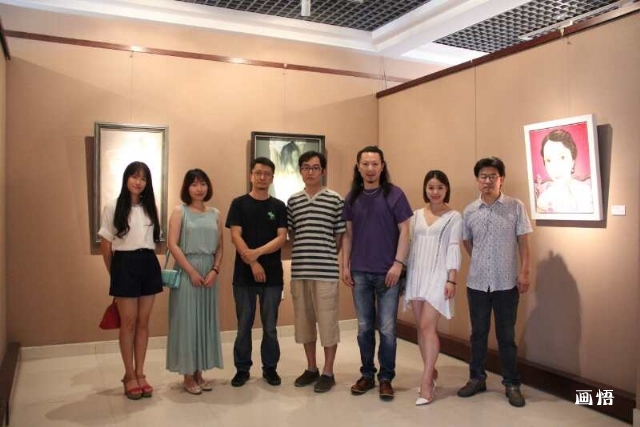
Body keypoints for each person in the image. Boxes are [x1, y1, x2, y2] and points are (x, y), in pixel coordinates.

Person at [457, 157, 532, 408]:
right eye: (483, 176)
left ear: (502, 179)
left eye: (492, 176)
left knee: (506, 336)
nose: (487, 181)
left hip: (506, 284)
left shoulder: (515, 207)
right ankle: (476, 378)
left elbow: (524, 242)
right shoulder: (470, 211)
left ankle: (511, 383)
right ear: (477, 180)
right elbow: (467, 242)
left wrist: (524, 272)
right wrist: (481, 260)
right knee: (478, 334)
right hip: (477, 283)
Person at [342, 146, 412, 401]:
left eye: (375, 164)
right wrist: (345, 265)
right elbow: (348, 235)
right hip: (360, 272)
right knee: (363, 328)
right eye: (365, 164)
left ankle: (386, 378)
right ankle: (367, 374)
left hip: (388, 274)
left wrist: (398, 264)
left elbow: (405, 231)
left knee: (387, 329)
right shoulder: (352, 197)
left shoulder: (395, 194)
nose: (370, 168)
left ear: (382, 166)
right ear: (358, 167)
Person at [98, 161, 162, 400]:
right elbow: (106, 244)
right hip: (124, 264)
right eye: (135, 177)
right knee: (128, 323)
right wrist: (114, 272)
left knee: (143, 322)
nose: (138, 182)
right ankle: (129, 374)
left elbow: (153, 240)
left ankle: (140, 372)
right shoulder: (113, 206)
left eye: (143, 178)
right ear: (126, 178)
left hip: (148, 263)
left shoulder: (150, 207)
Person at [225, 157, 288, 387]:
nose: (262, 177)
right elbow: (235, 236)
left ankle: (270, 368)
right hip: (243, 277)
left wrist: (256, 254)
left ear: (272, 178)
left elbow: (281, 237)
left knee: (270, 326)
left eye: (267, 174)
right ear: (251, 175)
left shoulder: (278, 206)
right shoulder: (239, 204)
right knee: (244, 325)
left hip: (273, 277)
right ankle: (242, 369)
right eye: (258, 173)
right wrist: (252, 263)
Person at [287, 151, 345, 393]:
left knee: (328, 323)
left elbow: (339, 236)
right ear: (300, 171)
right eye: (306, 167)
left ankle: (328, 371)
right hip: (300, 271)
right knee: (304, 323)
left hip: (326, 272)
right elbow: (293, 234)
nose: (310, 172)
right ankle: (311, 368)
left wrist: (326, 254)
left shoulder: (335, 199)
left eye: (315, 167)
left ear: (323, 171)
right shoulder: (293, 201)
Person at [404, 170, 462, 406]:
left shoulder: (454, 217)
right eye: (431, 187)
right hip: (417, 273)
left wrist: (452, 279)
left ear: (446, 189)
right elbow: (409, 245)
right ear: (425, 189)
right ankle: (431, 370)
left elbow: (453, 248)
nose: (435, 192)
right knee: (421, 327)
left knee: (428, 326)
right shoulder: (415, 215)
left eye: (440, 187)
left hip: (439, 276)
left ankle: (426, 382)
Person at [166, 169, 224, 395]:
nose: (199, 188)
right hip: (186, 270)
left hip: (209, 271)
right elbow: (172, 244)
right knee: (187, 322)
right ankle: (188, 375)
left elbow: (220, 247)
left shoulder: (215, 213)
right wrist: (190, 271)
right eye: (194, 184)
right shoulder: (179, 211)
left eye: (202, 183)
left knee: (203, 322)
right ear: (187, 188)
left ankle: (199, 372)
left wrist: (215, 270)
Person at [535, 129, 593, 213]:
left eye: (562, 157)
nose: (555, 166)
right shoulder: (544, 199)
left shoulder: (585, 191)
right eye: (548, 160)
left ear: (572, 161)